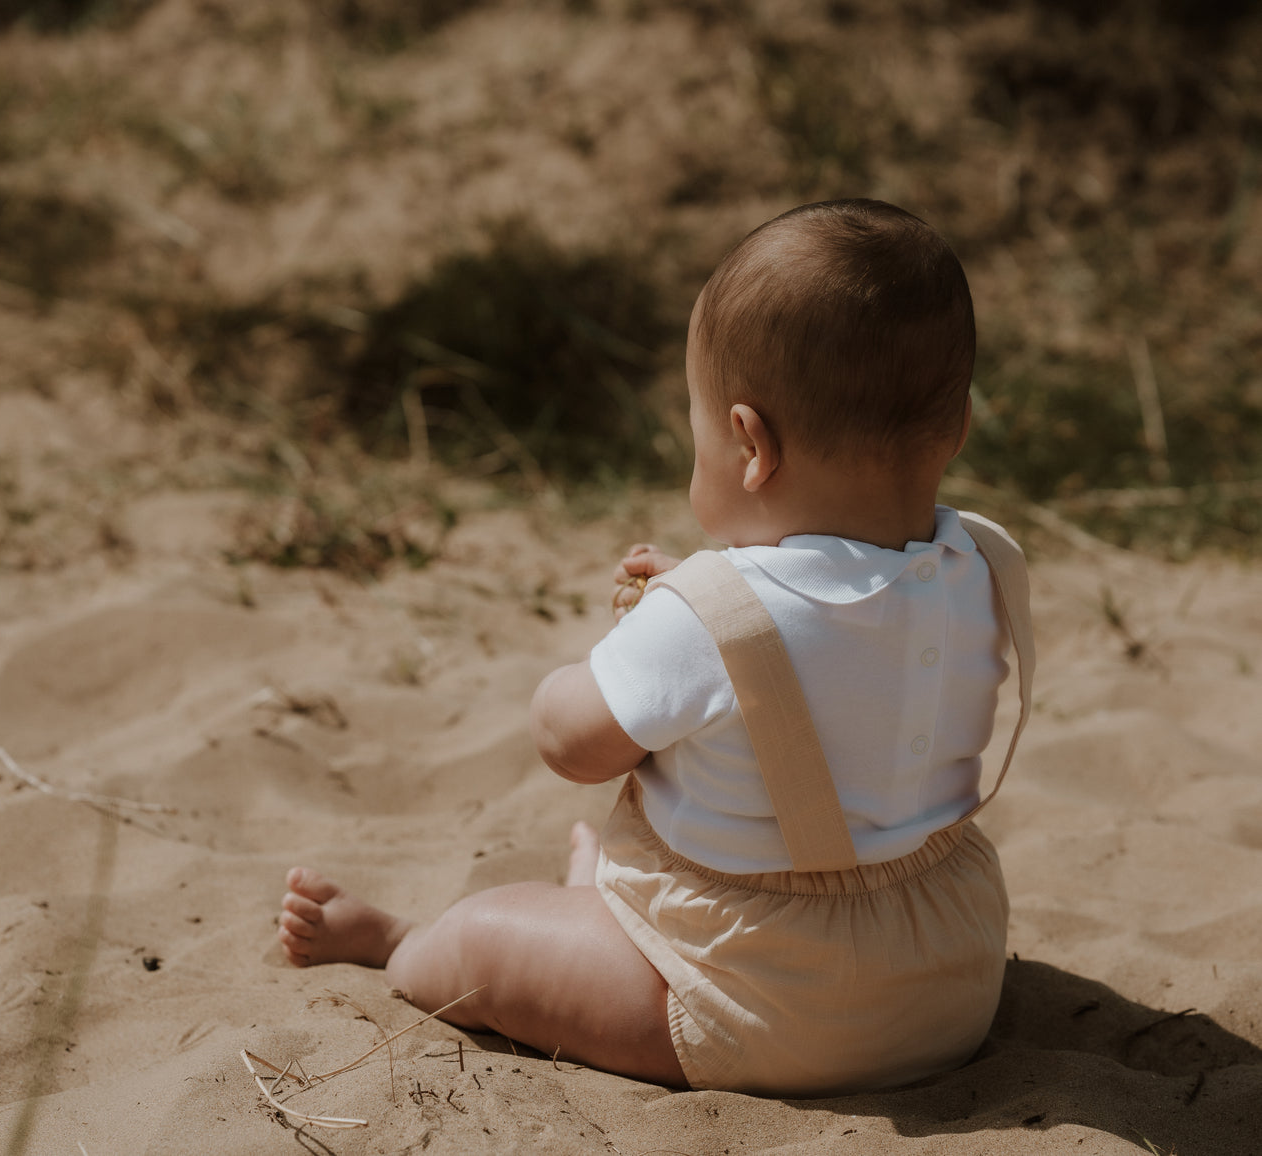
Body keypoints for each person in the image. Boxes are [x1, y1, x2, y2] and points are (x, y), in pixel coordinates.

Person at [277, 199, 1034, 1096]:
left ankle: (405, 945)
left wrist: (652, 630)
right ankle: (598, 904)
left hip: (766, 999)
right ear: (954, 428)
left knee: (489, 935)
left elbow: (572, 745)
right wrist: (717, 612)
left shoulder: (703, 620)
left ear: (749, 444)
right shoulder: (982, 565)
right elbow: (830, 636)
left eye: (695, 426)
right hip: (949, 978)